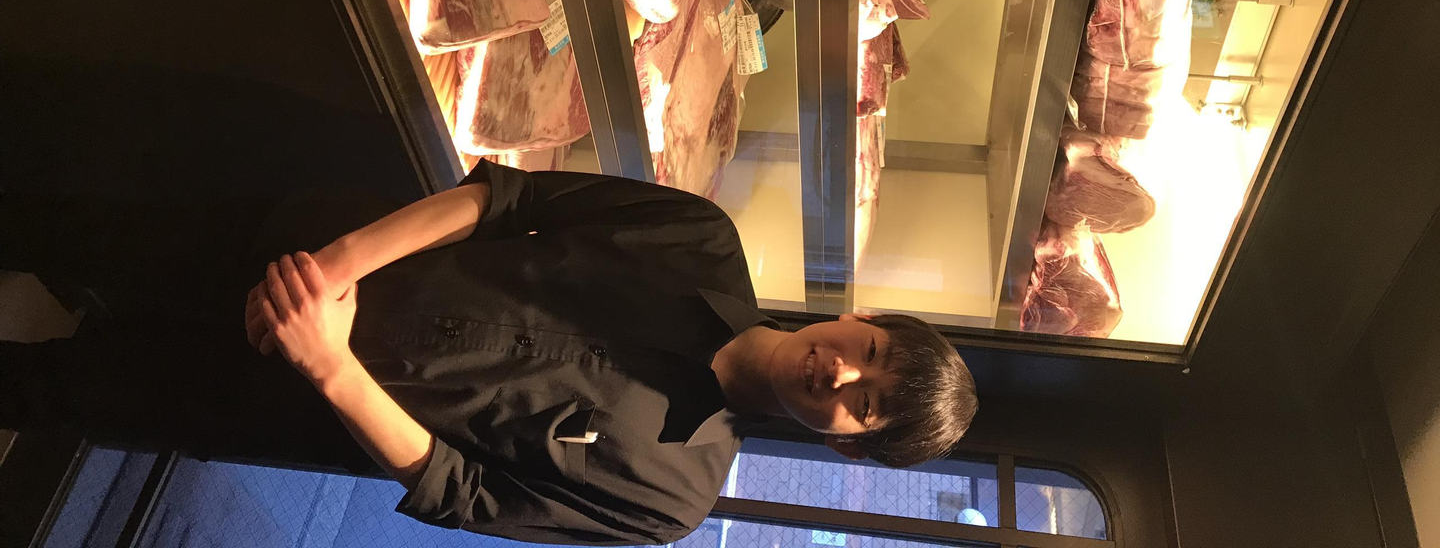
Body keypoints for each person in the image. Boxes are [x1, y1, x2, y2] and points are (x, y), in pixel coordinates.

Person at [1, 161, 978, 545]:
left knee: (60, 389)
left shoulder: (670, 501)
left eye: (865, 404)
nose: (844, 372)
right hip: (309, 244)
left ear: (847, 444)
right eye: (871, 350)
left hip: (296, 401)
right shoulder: (701, 238)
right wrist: (336, 264)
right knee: (74, 226)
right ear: (862, 317)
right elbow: (511, 201)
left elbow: (464, 494)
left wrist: (330, 366)